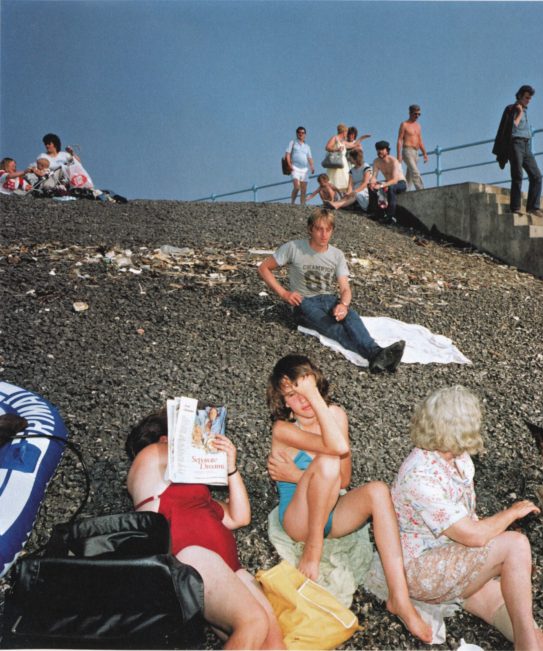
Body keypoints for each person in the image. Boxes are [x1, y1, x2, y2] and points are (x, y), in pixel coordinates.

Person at [265, 355, 433, 643]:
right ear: (283, 402)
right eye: (293, 396)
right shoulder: (283, 429)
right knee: (328, 462)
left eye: (308, 390)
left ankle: (400, 598)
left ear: (319, 385)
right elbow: (336, 450)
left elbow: (343, 480)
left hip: (330, 508)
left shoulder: (337, 416)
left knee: (379, 490)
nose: (303, 401)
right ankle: (313, 549)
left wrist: (297, 473)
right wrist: (304, 478)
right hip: (298, 520)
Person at [391, 386, 543, 651]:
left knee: (541, 642)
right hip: (423, 568)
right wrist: (512, 512)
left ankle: (528, 642)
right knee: (516, 544)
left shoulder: (457, 457)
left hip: (454, 555)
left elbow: (468, 522)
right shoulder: (419, 476)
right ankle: (525, 646)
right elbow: (473, 534)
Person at [126, 409, 284, 650]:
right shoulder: (151, 457)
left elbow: (240, 517)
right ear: (166, 438)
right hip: (189, 556)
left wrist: (231, 468)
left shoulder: (199, 497)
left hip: (227, 570)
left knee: (273, 644)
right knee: (253, 622)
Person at [257, 208, 405, 372]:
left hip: (329, 299)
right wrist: (284, 293)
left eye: (328, 230)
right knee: (334, 329)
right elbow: (263, 268)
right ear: (310, 229)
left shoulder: (337, 255)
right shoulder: (293, 247)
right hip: (303, 302)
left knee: (351, 317)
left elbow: (345, 289)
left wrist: (343, 305)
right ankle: (376, 355)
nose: (324, 234)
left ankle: (378, 356)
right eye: (319, 229)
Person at [492, 85, 543, 217]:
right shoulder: (512, 108)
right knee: (517, 175)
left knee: (536, 176)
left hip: (526, 145)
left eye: (530, 98)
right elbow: (512, 125)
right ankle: (515, 207)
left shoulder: (525, 109)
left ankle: (533, 207)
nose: (528, 100)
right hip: (515, 144)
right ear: (520, 96)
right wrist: (519, 112)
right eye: (526, 97)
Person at [324, 124, 370, 194]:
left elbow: (353, 145)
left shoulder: (342, 141)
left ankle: (344, 199)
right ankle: (334, 199)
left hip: (343, 165)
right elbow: (327, 147)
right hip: (336, 163)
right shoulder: (334, 138)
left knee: (346, 182)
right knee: (334, 182)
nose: (347, 134)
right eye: (346, 132)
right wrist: (336, 149)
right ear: (344, 132)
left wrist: (361, 138)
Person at [368, 141, 407, 221]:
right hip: (388, 182)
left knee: (391, 188)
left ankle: (390, 216)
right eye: (378, 150)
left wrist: (382, 185)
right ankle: (377, 213)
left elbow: (395, 180)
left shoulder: (394, 161)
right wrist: (372, 182)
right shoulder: (376, 161)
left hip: (400, 183)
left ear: (387, 150)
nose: (379, 152)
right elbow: (374, 176)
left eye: (382, 149)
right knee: (371, 186)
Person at [397, 104, 428, 191]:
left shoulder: (418, 126)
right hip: (407, 151)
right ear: (410, 113)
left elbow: (420, 141)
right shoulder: (404, 124)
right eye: (415, 114)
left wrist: (424, 153)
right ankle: (421, 190)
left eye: (419, 114)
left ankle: (405, 190)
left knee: (410, 174)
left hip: (416, 152)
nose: (417, 116)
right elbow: (399, 140)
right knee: (415, 171)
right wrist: (399, 155)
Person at [285, 127, 314, 206]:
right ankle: (292, 202)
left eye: (302, 132)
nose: (301, 134)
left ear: (305, 134)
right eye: (299, 132)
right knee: (297, 187)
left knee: (304, 189)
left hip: (304, 169)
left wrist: (312, 166)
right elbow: (287, 154)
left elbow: (309, 157)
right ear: (297, 133)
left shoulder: (307, 146)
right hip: (295, 167)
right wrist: (289, 164)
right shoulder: (292, 142)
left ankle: (302, 205)